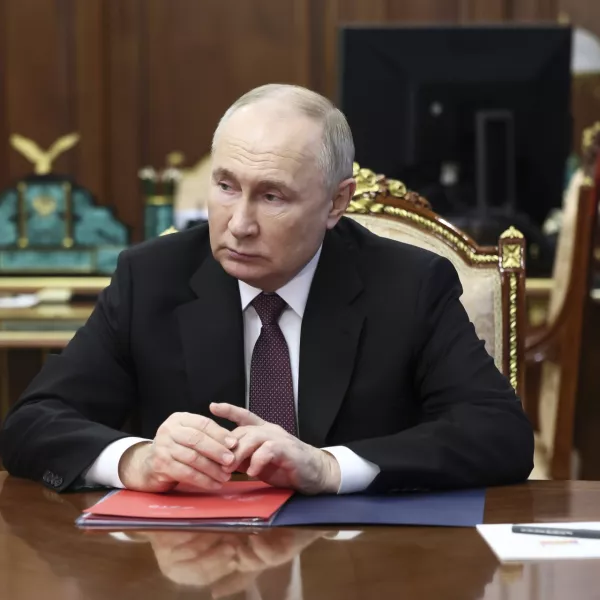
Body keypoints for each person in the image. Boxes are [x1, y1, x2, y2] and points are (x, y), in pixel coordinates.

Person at [0, 84, 534, 495]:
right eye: (226, 186)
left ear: (336, 203)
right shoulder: (152, 278)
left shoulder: (410, 285)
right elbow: (31, 424)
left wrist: (328, 466)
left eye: (272, 196)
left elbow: (499, 435)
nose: (239, 224)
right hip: (189, 575)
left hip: (360, 569)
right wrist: (135, 459)